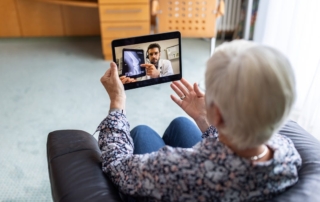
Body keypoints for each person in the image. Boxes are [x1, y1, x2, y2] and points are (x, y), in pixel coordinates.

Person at [97, 40, 301, 201]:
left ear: (219, 114)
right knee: (181, 123)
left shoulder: (179, 170)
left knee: (141, 131)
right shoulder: (287, 153)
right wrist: (206, 120)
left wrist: (117, 101)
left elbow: (116, 165)